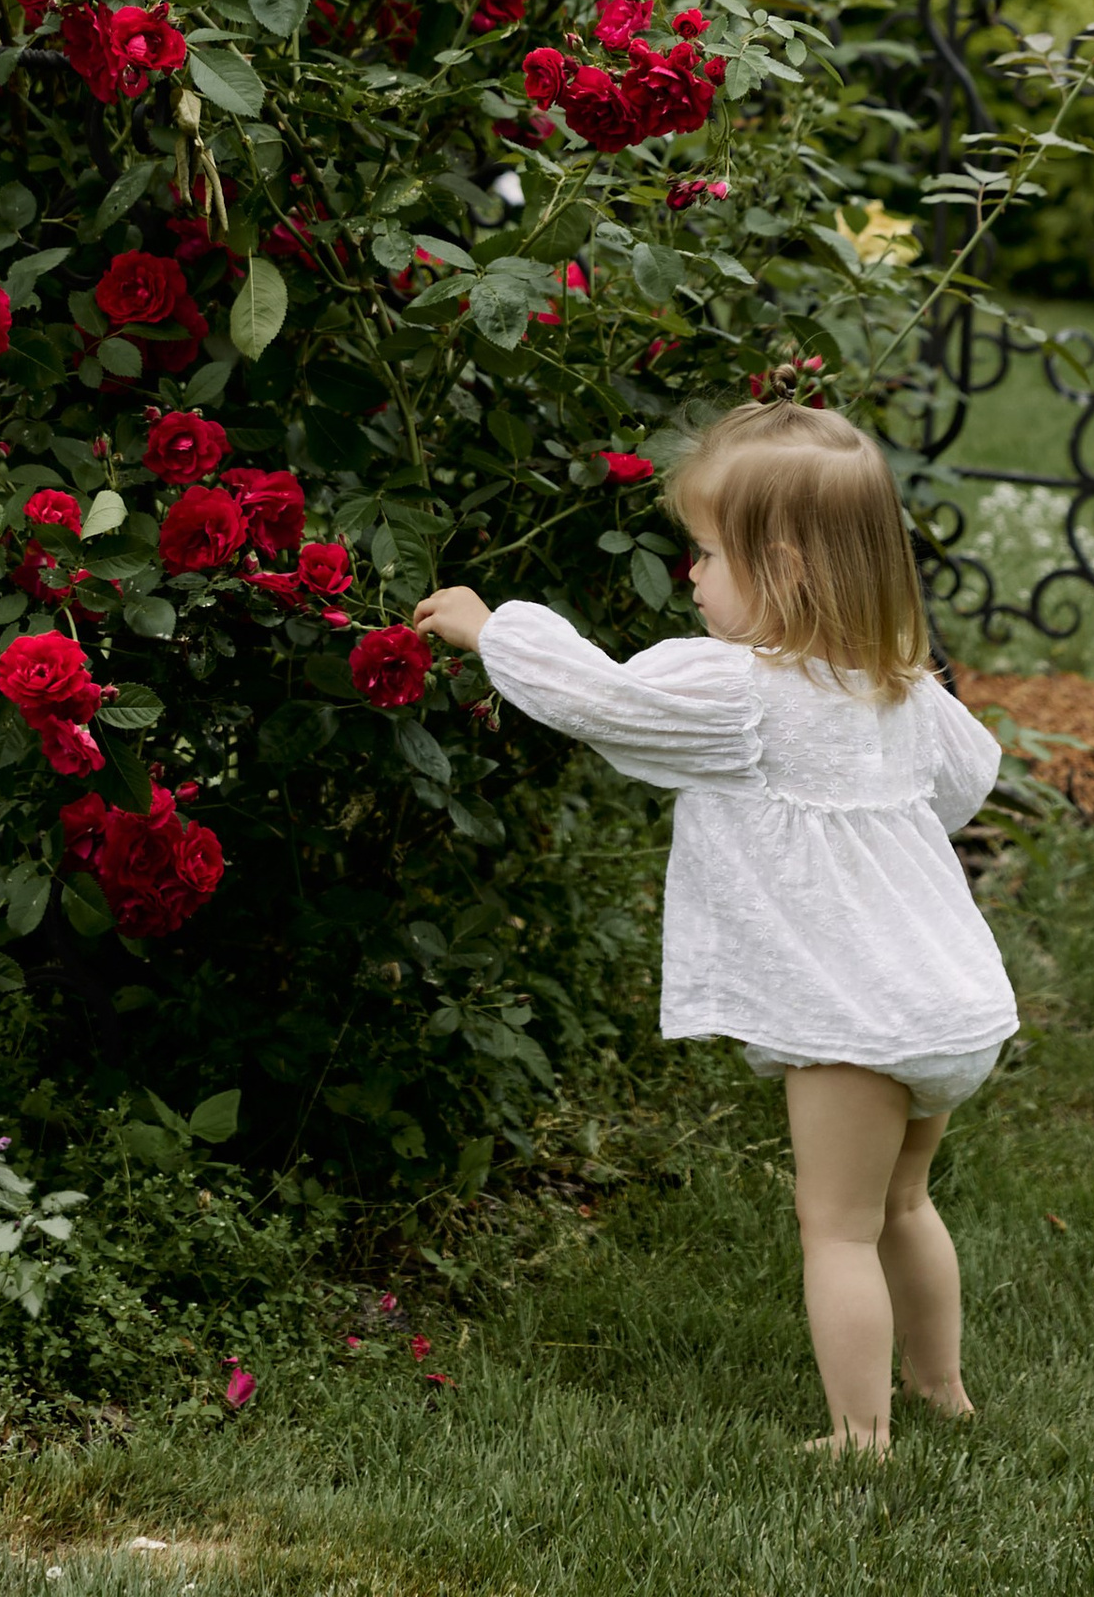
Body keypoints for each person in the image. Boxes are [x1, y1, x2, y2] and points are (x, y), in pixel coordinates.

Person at [413, 397, 1016, 1455]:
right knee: (905, 1206)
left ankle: (860, 1438)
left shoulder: (743, 696)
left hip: (856, 1016)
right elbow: (967, 785)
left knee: (834, 1227)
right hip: (952, 1002)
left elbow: (597, 697)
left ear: (780, 567)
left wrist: (490, 626)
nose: (689, 576)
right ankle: (944, 1391)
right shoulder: (901, 689)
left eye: (701, 554)